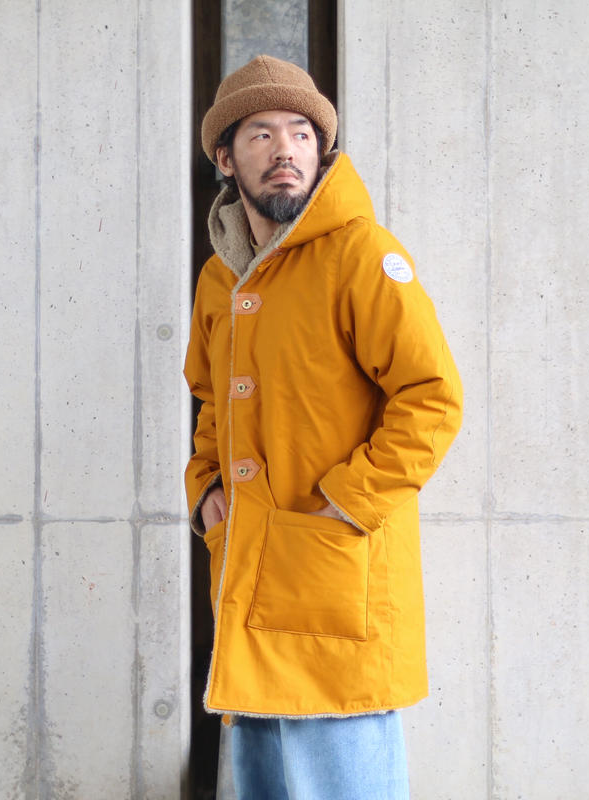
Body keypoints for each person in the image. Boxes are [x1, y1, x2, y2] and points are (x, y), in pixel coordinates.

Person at [184, 54, 462, 799]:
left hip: (333, 575)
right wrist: (205, 487)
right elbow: (210, 401)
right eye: (262, 134)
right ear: (225, 158)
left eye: (302, 134)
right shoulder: (220, 278)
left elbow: (432, 397)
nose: (286, 150)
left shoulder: (363, 255)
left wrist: (349, 500)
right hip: (250, 574)